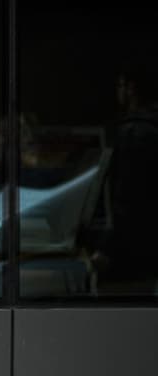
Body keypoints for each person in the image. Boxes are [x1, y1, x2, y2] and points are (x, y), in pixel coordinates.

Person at [91, 55, 158, 293]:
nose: (117, 92)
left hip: (130, 251)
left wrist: (106, 247)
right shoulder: (150, 128)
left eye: (120, 85)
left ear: (131, 89)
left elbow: (128, 197)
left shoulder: (134, 132)